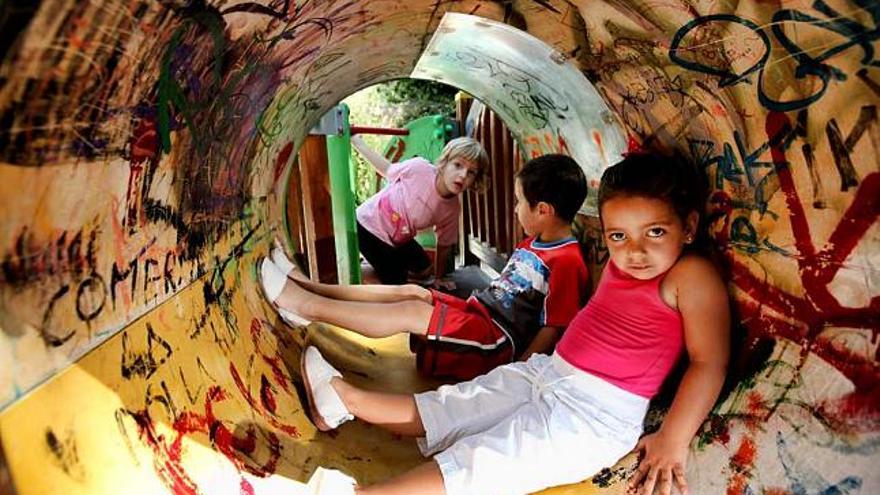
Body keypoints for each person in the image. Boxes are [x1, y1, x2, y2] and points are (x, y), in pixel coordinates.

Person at [294, 151, 731, 495]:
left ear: (688, 226)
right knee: (457, 404)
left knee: (488, 459)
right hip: (548, 373)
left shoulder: (690, 276)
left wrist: (674, 437)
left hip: (593, 416)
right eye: (619, 236)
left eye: (654, 232)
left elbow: (708, 362)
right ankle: (345, 401)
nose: (634, 250)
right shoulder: (625, 264)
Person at [261, 154, 590, 380]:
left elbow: (553, 327)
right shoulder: (533, 243)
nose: (516, 209)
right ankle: (308, 286)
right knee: (412, 292)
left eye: (519, 201)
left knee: (409, 312)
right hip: (479, 313)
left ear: (543, 210)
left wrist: (518, 374)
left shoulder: (567, 262)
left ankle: (306, 307)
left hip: (496, 342)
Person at [351, 134, 489, 285]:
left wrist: (439, 278)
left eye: (471, 172)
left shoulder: (452, 209)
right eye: (458, 165)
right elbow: (387, 169)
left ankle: (385, 265)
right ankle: (362, 274)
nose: (463, 175)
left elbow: (444, 245)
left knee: (424, 270)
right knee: (396, 281)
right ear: (444, 162)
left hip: (399, 237)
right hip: (367, 225)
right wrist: (358, 143)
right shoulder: (419, 169)